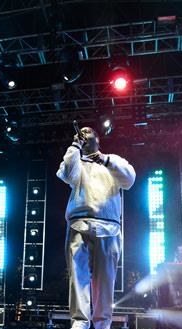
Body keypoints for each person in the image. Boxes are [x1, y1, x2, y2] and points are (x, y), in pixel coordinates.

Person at [56, 126, 136, 329]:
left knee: (105, 282)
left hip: (108, 226)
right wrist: (75, 146)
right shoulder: (77, 161)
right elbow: (66, 172)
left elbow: (129, 179)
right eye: (80, 134)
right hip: (78, 223)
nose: (83, 135)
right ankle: (80, 324)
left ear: (97, 140)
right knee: (78, 278)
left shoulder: (112, 161)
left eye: (87, 133)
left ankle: (102, 325)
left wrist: (103, 159)